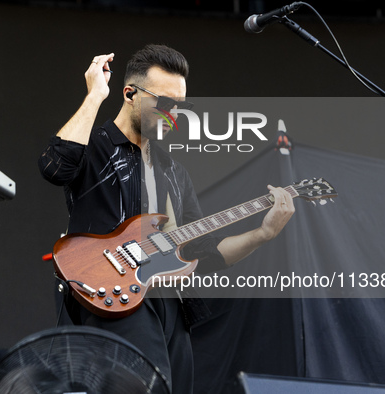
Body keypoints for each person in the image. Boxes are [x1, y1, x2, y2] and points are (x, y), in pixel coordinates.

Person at [38, 44, 294, 394]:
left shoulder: (174, 171)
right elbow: (55, 166)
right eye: (165, 103)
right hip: (112, 292)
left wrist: (262, 234)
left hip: (169, 300)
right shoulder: (94, 144)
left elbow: (206, 252)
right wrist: (96, 95)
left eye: (181, 106)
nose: (174, 113)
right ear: (129, 94)